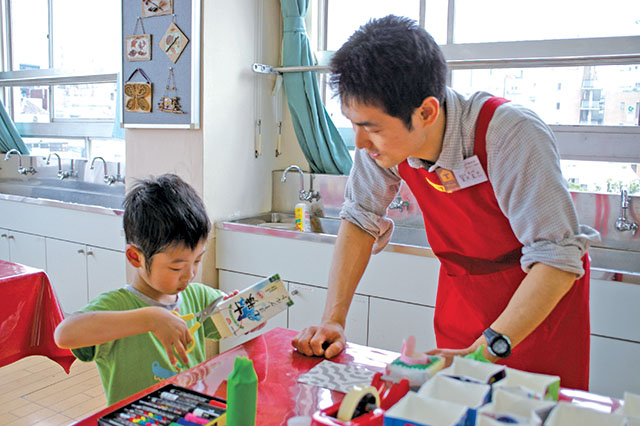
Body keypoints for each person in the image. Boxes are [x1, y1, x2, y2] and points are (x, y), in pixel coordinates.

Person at [291, 15, 598, 390]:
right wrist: (333, 320)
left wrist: (483, 351)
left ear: (426, 112)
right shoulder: (384, 147)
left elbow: (557, 257)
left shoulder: (509, 133)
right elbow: (359, 218)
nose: (359, 142)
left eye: (371, 128)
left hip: (535, 314)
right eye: (354, 124)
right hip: (463, 304)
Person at [55, 174, 229, 404]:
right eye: (176, 267)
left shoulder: (198, 297)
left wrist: (246, 312)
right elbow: (64, 334)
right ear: (135, 257)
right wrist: (150, 319)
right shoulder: (118, 306)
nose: (190, 274)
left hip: (188, 414)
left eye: (197, 260)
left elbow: (232, 316)